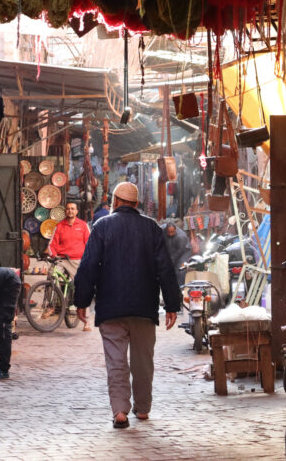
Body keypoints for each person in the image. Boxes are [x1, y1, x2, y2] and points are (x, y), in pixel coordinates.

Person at [73, 182, 182, 429]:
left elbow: (88, 267)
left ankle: (120, 411)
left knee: (116, 361)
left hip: (111, 307)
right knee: (143, 361)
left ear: (115, 201)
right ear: (135, 204)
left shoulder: (102, 226)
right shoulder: (151, 228)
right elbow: (165, 268)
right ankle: (142, 410)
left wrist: (81, 301)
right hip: (144, 308)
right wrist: (173, 304)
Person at [47, 201, 92, 330]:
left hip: (78, 260)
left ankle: (85, 321)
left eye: (73, 209)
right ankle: (51, 304)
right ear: (65, 211)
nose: (70, 211)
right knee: (51, 274)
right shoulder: (59, 226)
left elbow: (90, 244)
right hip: (62, 259)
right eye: (68, 209)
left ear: (76, 211)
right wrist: (53, 255)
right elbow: (51, 245)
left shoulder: (83, 226)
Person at [163, 220, 193, 287]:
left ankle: (180, 288)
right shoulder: (163, 230)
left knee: (180, 270)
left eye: (172, 232)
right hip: (172, 250)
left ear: (175, 229)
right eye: (169, 232)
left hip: (184, 252)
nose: (170, 234)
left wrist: (171, 261)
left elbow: (179, 252)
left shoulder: (181, 237)